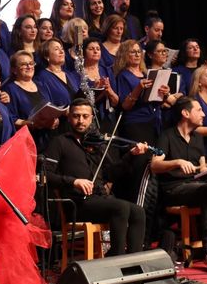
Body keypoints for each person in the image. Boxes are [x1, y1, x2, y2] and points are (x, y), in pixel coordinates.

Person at [45, 98, 148, 256]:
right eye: (76, 116)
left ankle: (135, 261)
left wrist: (131, 155)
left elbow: (111, 174)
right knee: (121, 207)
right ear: (69, 117)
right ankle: (117, 259)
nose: (81, 121)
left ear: (92, 118)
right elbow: (46, 175)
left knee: (138, 211)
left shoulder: (96, 144)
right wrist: (74, 181)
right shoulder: (59, 142)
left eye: (85, 116)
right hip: (77, 204)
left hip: (100, 199)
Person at [150, 97, 207, 269]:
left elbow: (201, 169)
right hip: (173, 190)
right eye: (199, 110)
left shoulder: (197, 138)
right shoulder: (167, 135)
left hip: (195, 186)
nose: (203, 114)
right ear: (185, 113)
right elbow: (155, 165)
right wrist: (176, 162)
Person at [1, 51, 57, 151]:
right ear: (14, 70)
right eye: (23, 64)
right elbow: (11, 119)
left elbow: (52, 106)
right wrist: (31, 124)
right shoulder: (10, 89)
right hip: (27, 142)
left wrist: (55, 119)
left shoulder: (41, 85)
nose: (29, 66)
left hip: (48, 138)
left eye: (31, 63)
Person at [33, 38, 79, 109]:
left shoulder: (70, 75)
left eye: (62, 48)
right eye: (56, 49)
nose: (61, 52)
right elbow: (46, 104)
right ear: (46, 56)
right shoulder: (41, 78)